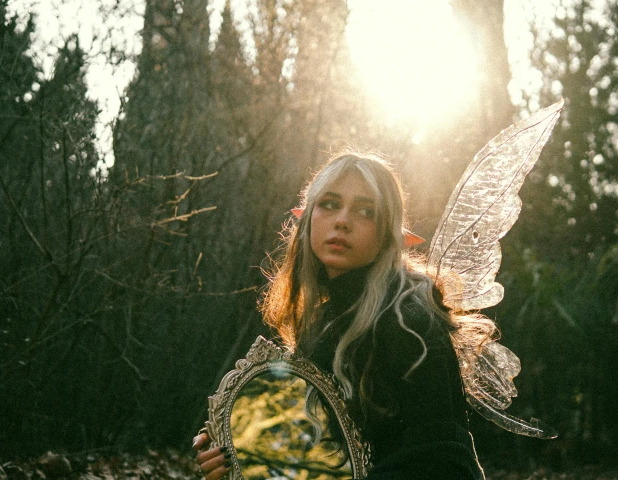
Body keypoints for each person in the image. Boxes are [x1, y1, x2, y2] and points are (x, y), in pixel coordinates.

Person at [193, 152, 495, 479]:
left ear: (386, 235)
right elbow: (309, 457)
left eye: (366, 211)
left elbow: (445, 461)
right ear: (307, 218)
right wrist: (239, 453)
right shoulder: (322, 324)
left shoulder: (409, 319)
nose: (342, 221)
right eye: (330, 204)